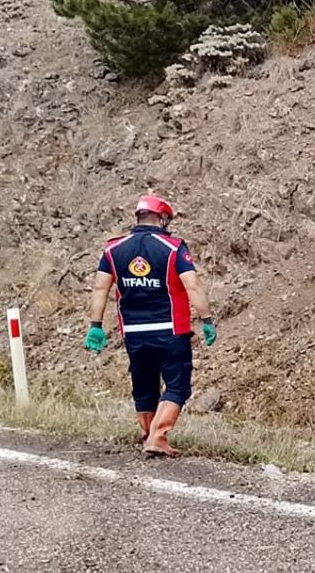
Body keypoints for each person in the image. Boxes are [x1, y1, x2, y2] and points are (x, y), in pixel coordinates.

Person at [83, 194, 217, 457]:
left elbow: (100, 288)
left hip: (134, 332)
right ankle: (157, 436)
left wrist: (95, 324)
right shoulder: (173, 248)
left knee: (144, 384)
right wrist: (207, 319)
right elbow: (192, 285)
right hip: (170, 330)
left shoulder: (112, 249)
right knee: (177, 385)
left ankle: (147, 433)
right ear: (163, 218)